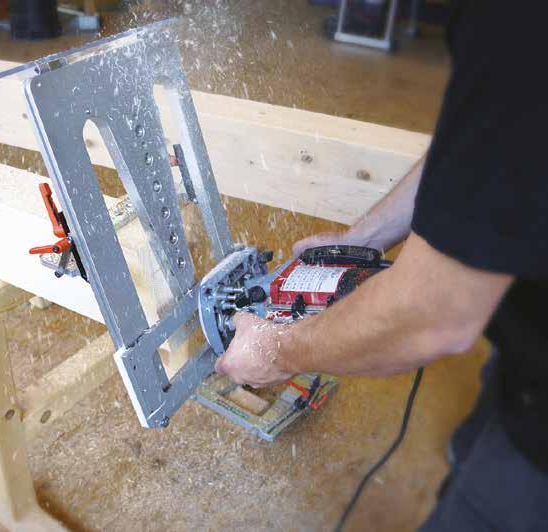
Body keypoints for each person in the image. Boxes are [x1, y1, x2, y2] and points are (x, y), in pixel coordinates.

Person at [213, 1, 548, 529]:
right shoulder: (509, 35)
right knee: (484, 432)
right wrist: (361, 240)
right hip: (528, 335)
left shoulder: (518, 22)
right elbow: (480, 146)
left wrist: (278, 352)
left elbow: (433, 315)